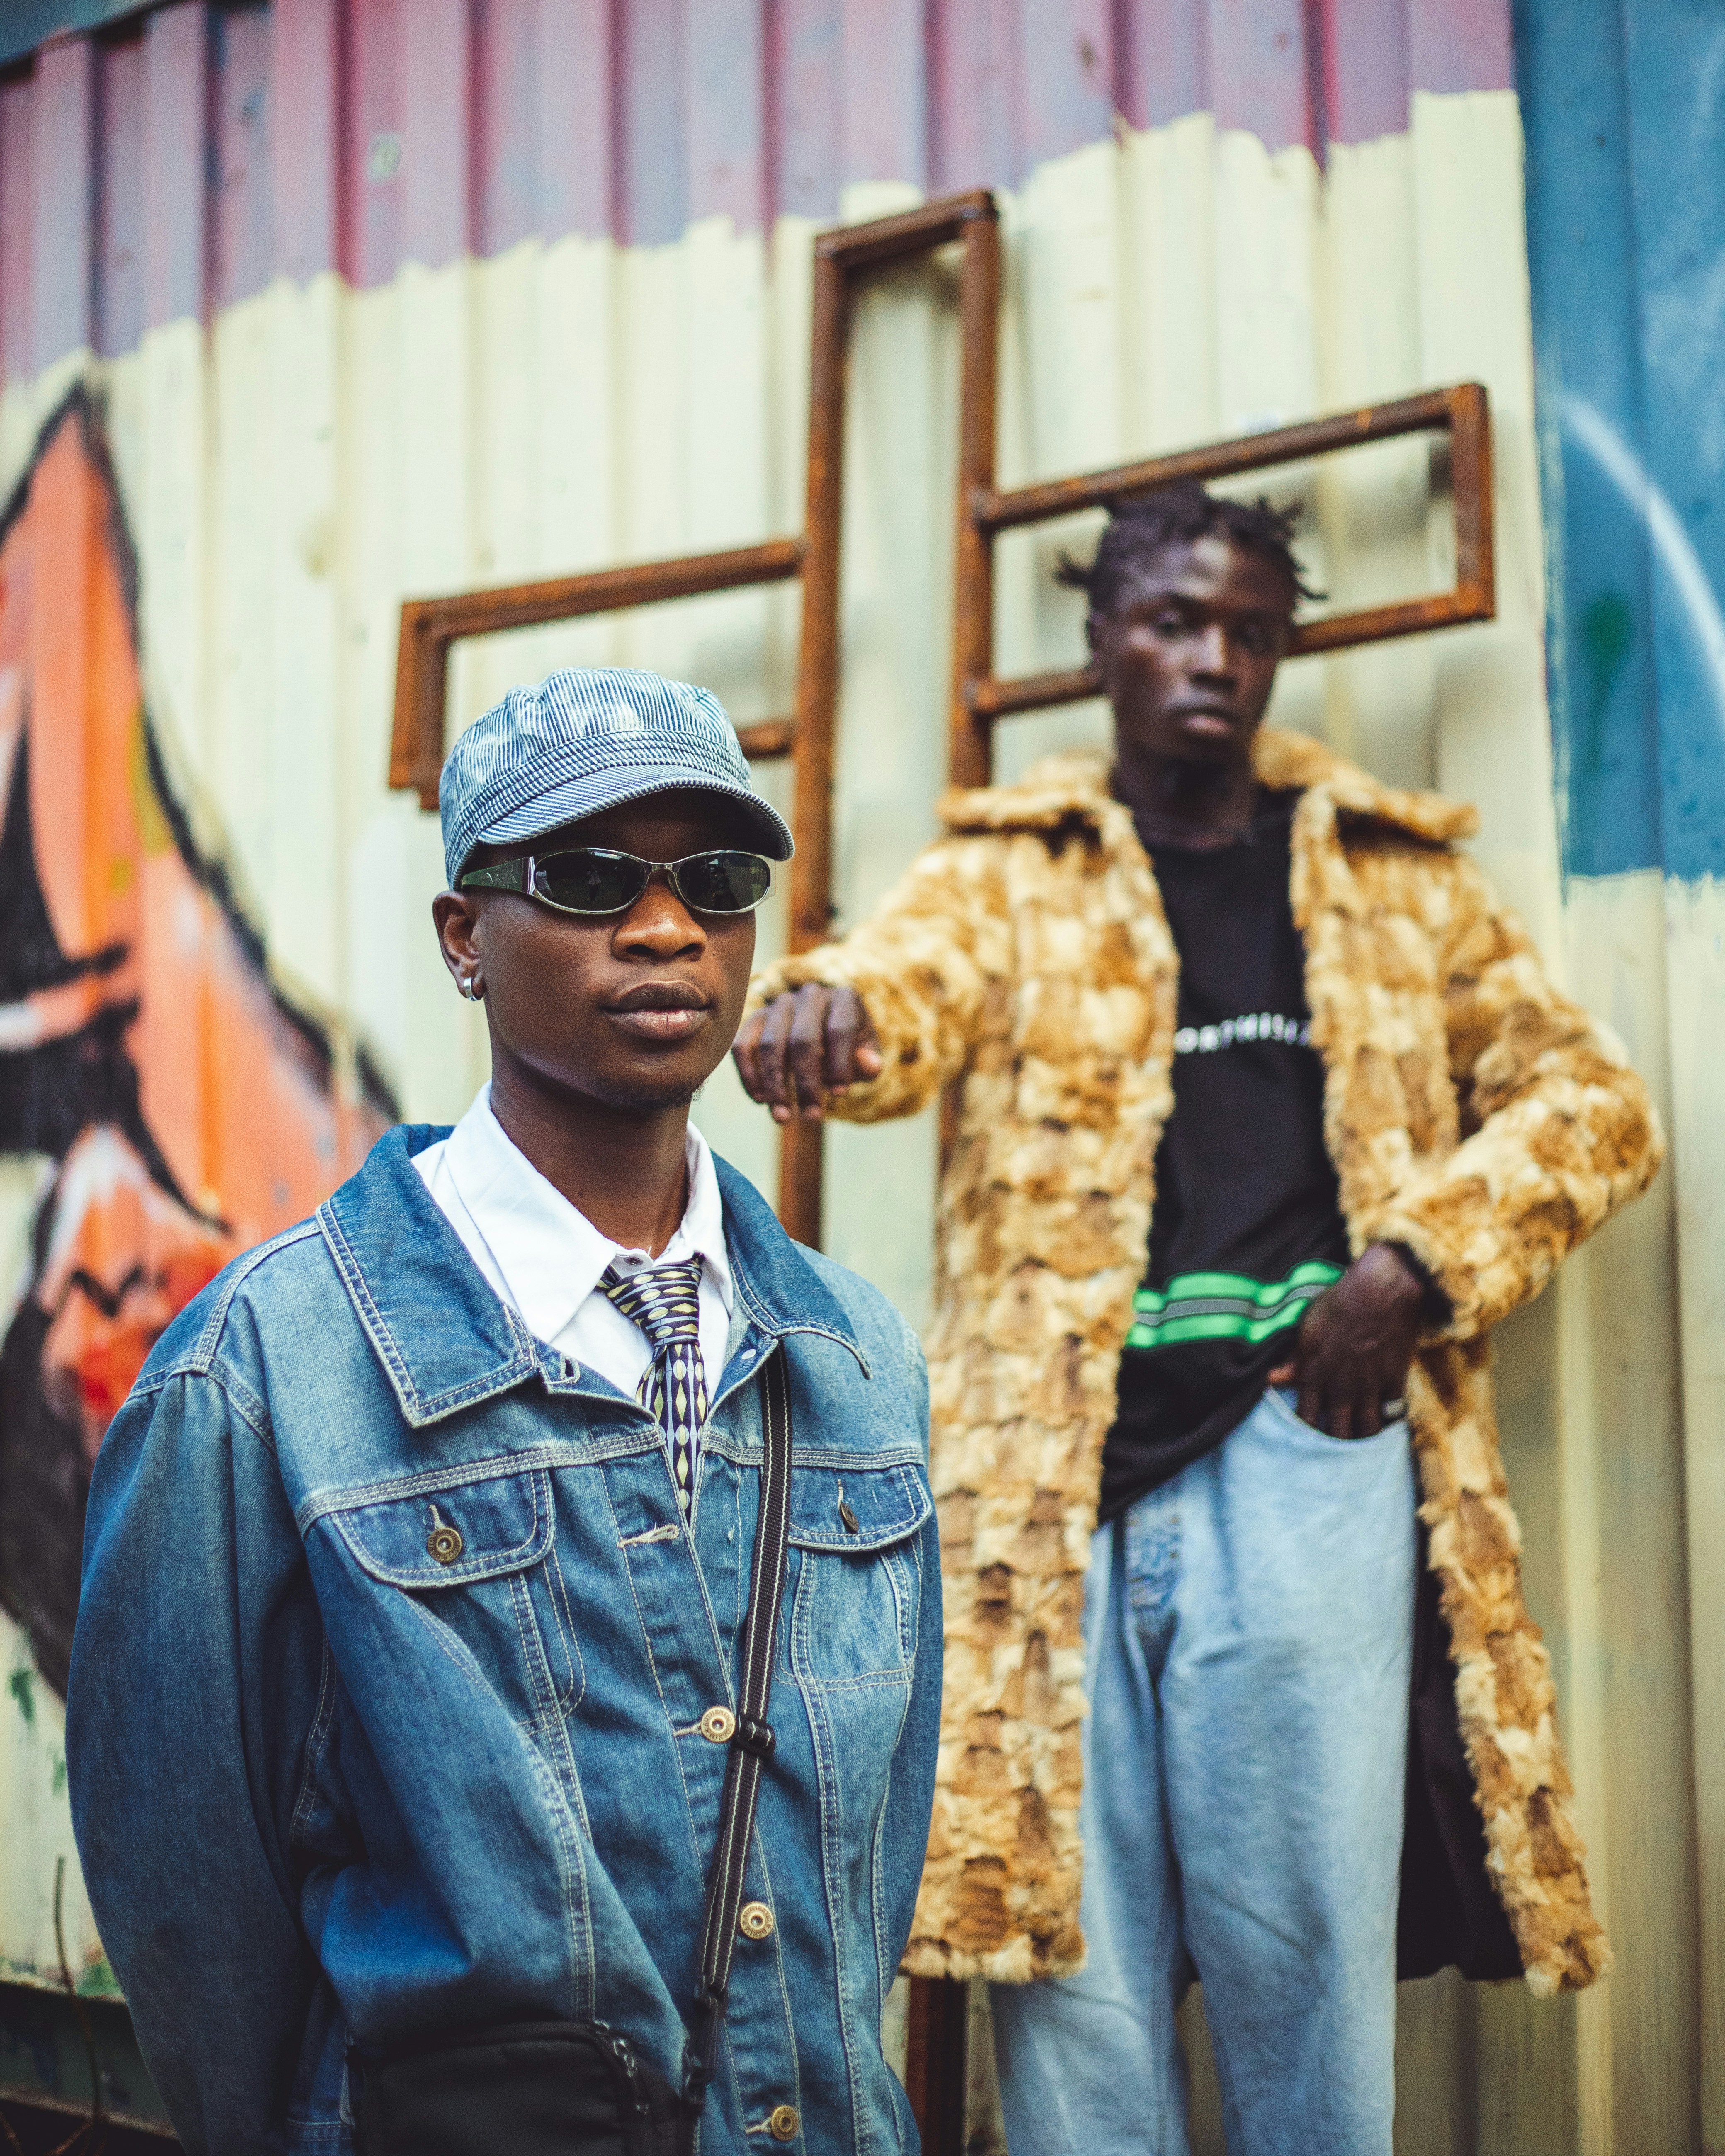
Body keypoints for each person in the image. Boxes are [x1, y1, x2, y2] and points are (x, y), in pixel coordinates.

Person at [734, 484, 1663, 2156]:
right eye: (1170, 620)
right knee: (1069, 1972)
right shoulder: (1011, 870)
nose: (1208, 659)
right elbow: (902, 983)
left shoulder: (1391, 876)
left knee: (1299, 1950)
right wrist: (827, 1006)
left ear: (1279, 649)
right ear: (1101, 640)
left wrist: (1411, 1269)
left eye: (1245, 629)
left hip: (1302, 1454)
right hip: (1044, 1494)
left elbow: (1587, 1100)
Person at [66, 670, 940, 2156]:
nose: (666, 929)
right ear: (466, 936)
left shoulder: (852, 1356)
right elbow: (193, 1907)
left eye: (717, 883)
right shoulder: (268, 1368)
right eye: (592, 878)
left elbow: (868, 1873)